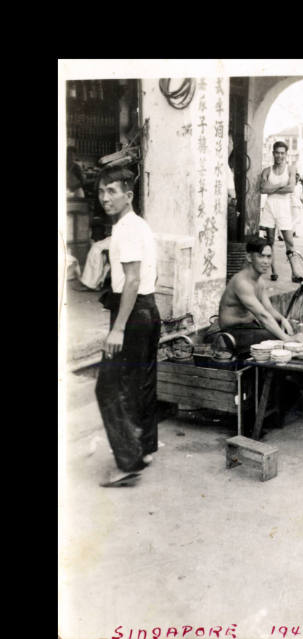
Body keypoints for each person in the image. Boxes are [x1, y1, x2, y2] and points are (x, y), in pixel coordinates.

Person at [94, 166, 161, 487]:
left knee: (108, 386)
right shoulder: (137, 225)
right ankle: (144, 449)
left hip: (132, 314)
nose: (105, 198)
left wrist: (118, 328)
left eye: (112, 191)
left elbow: (132, 279)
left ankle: (127, 463)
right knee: (140, 383)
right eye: (101, 191)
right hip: (147, 309)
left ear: (128, 195)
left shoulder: (127, 229)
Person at [204, 237, 303, 358]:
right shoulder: (242, 282)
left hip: (247, 328)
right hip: (230, 333)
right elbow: (263, 316)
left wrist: (283, 319)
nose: (266, 261)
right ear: (249, 257)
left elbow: (268, 309)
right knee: (278, 340)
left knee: (292, 329)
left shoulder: (259, 281)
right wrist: (287, 339)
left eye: (269, 257)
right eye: (261, 256)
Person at [259, 141, 303, 282]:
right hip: (270, 207)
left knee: (289, 240)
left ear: (286, 154)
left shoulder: (291, 169)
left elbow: (290, 188)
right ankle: (274, 271)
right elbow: (262, 189)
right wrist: (280, 185)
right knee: (270, 240)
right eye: (277, 152)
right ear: (273, 153)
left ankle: (295, 272)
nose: (279, 155)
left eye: (282, 153)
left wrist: (272, 187)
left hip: (284, 207)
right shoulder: (267, 171)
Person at [291, 172, 303, 237]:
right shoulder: (290, 185)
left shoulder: (300, 186)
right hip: (291, 203)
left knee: (297, 219)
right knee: (294, 218)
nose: (296, 179)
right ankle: (290, 232)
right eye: (295, 177)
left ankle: (293, 232)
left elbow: (301, 197)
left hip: (297, 204)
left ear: (299, 178)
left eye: (297, 178)